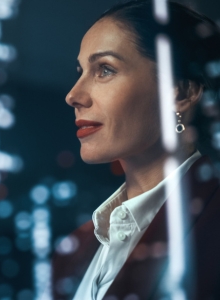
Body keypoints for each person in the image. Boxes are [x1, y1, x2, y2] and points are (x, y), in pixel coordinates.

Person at [53, 1, 220, 299]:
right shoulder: (72, 254)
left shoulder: (212, 222)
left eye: (104, 69)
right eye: (80, 71)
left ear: (180, 92)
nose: (73, 95)